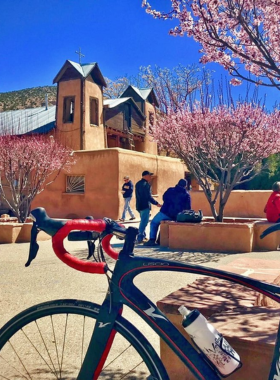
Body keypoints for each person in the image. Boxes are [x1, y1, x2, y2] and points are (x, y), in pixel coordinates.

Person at [144, 178, 191, 246]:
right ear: (185, 186)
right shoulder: (186, 194)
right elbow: (188, 207)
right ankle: (160, 240)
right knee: (164, 224)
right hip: (177, 215)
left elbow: (164, 197)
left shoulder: (170, 190)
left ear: (178, 183)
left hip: (165, 212)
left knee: (154, 223)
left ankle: (152, 240)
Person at [135, 170, 161, 243]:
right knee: (144, 222)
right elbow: (148, 196)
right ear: (145, 176)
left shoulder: (138, 184)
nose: (150, 177)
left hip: (139, 205)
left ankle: (142, 235)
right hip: (145, 205)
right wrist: (156, 203)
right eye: (149, 175)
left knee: (143, 220)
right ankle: (140, 238)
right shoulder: (146, 185)